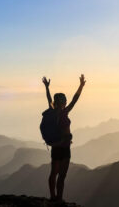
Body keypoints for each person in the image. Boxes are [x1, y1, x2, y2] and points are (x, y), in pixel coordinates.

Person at [42, 74, 86, 202]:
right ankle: (58, 199)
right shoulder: (64, 112)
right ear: (63, 102)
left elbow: (49, 99)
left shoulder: (53, 111)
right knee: (61, 175)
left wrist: (47, 88)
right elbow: (75, 100)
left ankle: (54, 197)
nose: (64, 103)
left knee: (55, 174)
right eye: (64, 101)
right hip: (65, 147)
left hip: (58, 147)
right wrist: (81, 86)